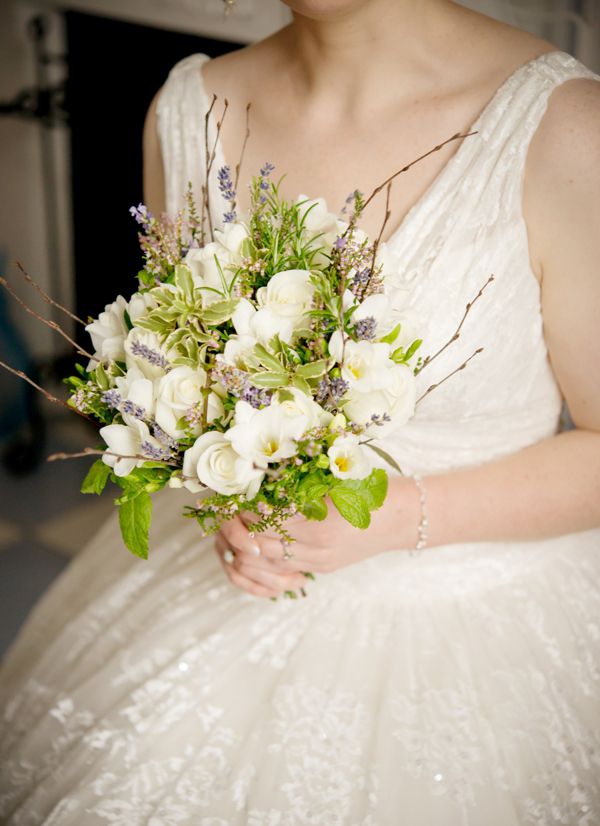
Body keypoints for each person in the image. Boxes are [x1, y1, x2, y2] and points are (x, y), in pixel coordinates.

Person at [1, 0, 600, 822]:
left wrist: (394, 517)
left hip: (485, 627)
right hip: (226, 589)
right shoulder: (187, 108)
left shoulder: (567, 127)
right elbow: (179, 366)